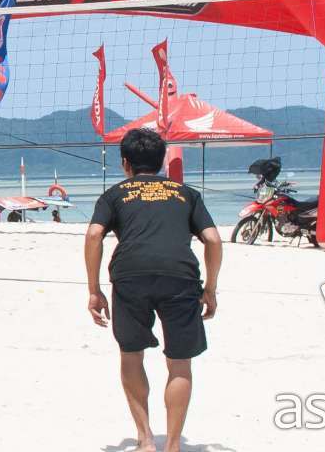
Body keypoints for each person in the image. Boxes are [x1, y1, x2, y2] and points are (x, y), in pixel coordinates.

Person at [84, 128, 222, 452]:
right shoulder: (186, 194)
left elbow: (93, 236)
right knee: (180, 363)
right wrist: (211, 289)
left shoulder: (114, 195)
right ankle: (172, 445)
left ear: (125, 163)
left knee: (131, 356)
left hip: (130, 276)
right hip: (181, 277)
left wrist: (94, 289)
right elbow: (214, 240)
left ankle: (146, 439)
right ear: (161, 162)